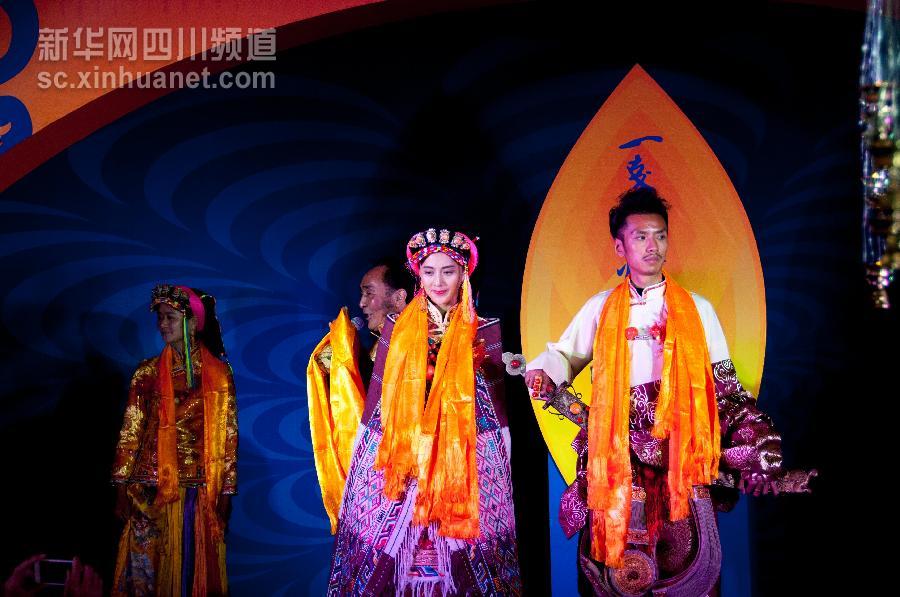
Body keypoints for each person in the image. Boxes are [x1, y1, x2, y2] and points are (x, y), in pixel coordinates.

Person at [525, 187, 813, 596]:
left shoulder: (698, 309)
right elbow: (562, 355)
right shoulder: (601, 307)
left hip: (679, 457)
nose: (652, 246)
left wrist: (757, 449)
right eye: (640, 236)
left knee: (686, 565)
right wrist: (544, 371)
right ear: (619, 247)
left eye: (660, 236)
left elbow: (727, 389)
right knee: (612, 574)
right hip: (616, 459)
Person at [319, 228, 522, 595]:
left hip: (461, 466)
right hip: (406, 466)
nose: (438, 282)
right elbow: (377, 409)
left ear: (463, 275)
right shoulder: (397, 330)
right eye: (429, 272)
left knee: (458, 574)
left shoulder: (483, 331)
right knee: (400, 569)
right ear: (419, 276)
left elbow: (495, 420)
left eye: (448, 271)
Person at [111, 284, 238, 596]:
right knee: (147, 571)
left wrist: (227, 492)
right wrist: (121, 486)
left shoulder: (219, 375)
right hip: (149, 489)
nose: (162, 324)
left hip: (197, 489)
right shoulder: (147, 373)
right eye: (160, 318)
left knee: (189, 568)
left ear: (192, 323)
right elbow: (131, 430)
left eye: (170, 317)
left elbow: (228, 437)